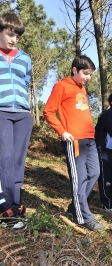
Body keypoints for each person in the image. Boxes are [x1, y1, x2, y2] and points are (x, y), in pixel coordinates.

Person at [43, 55, 104, 231]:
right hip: (74, 140)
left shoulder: (82, 88)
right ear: (74, 70)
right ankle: (82, 216)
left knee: (94, 173)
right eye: (85, 73)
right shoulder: (61, 86)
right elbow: (48, 111)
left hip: (89, 139)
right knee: (79, 179)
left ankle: (74, 207)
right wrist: (62, 132)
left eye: (91, 75)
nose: (88, 78)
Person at [0, 12, 33, 230]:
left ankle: (15, 204)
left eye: (17, 36)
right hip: (0, 111)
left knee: (18, 161)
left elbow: (26, 83)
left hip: (22, 114)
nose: (13, 39)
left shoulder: (25, 58)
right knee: (5, 158)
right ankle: (6, 208)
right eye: (10, 34)